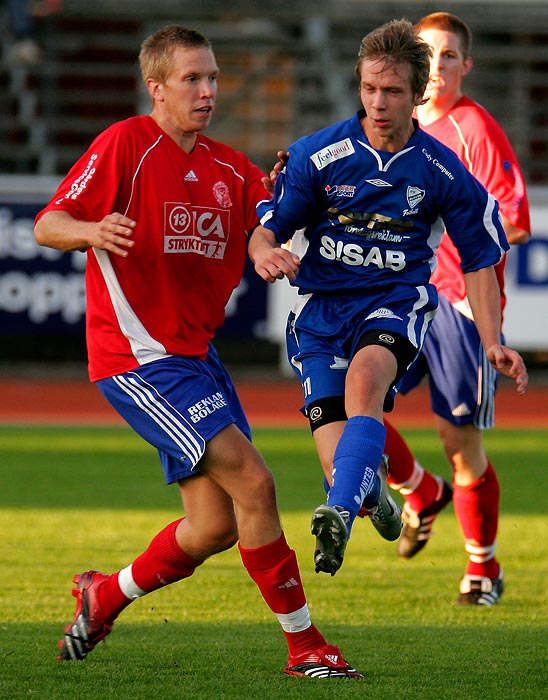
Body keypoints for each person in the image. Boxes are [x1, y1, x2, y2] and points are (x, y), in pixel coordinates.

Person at [33, 25, 363, 679]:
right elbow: (48, 223)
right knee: (256, 484)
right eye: (193, 78)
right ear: (156, 87)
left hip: (195, 358)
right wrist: (90, 229)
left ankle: (107, 593)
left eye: (212, 78)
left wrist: (269, 241)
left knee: (213, 526)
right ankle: (306, 647)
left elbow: (268, 215)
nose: (208, 90)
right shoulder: (127, 143)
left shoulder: (226, 166)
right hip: (140, 358)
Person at [248, 19, 528, 579]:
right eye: (370, 88)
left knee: (365, 386)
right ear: (358, 85)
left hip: (394, 303)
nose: (379, 102)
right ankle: (373, 495)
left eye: (394, 91)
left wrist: (492, 340)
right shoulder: (316, 154)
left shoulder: (443, 167)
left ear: (417, 93)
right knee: (338, 460)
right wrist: (262, 252)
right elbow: (268, 228)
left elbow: (479, 256)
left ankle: (339, 517)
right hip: (322, 312)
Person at [382, 11, 531, 605]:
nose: (437, 66)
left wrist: (452, 225)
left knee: (459, 443)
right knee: (342, 400)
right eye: (428, 54)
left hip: (461, 307)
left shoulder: (475, 130)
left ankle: (484, 569)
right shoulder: (401, 123)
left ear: (466, 65)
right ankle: (419, 491)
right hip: (403, 292)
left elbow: (514, 223)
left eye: (449, 56)